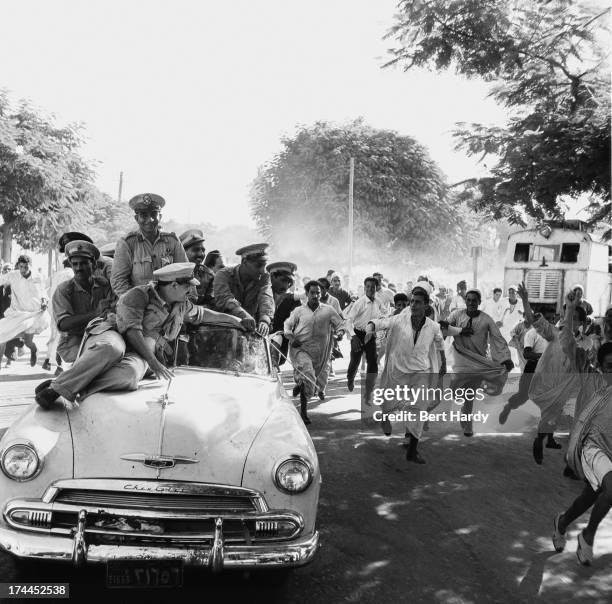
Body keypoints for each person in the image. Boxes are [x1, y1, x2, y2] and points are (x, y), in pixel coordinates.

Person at [35, 263, 239, 409]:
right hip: (114, 334)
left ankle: (71, 385)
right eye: (188, 286)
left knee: (129, 376)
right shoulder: (137, 295)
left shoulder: (181, 304)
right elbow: (132, 331)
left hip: (141, 353)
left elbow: (204, 314)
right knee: (112, 349)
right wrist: (154, 362)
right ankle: (55, 390)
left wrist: (236, 321)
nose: (193, 291)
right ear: (174, 285)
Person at [365, 285, 446, 463]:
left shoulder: (433, 326)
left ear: (426, 305)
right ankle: (385, 416)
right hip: (398, 371)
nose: (414, 305)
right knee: (389, 402)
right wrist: (371, 327)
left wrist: (444, 363)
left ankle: (412, 449)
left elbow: (440, 344)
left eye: (418, 302)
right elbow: (383, 322)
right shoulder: (400, 319)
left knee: (419, 408)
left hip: (420, 373)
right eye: (412, 302)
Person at [515, 284, 590, 464]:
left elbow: (577, 354)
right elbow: (533, 320)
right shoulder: (554, 333)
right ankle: (540, 440)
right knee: (550, 419)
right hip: (549, 386)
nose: (569, 320)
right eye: (567, 317)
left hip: (571, 388)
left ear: (581, 323)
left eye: (574, 319)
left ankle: (573, 461)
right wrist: (525, 300)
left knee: (572, 423)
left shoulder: (585, 343)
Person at [553, 344, 612, 565]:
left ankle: (562, 522)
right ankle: (588, 536)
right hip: (592, 446)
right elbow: (567, 343)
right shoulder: (592, 381)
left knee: (592, 496)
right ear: (599, 366)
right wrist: (570, 308)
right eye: (609, 367)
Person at [443, 288, 513, 436]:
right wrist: (460, 330)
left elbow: (497, 338)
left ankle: (468, 425)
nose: (471, 303)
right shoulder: (457, 315)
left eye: (474, 300)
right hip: (460, 360)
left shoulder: (486, 319)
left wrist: (505, 358)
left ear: (479, 302)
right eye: (468, 300)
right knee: (456, 392)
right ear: (465, 301)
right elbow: (444, 328)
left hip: (478, 362)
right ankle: (464, 411)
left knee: (470, 394)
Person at [284, 280, 344, 424]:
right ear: (306, 294)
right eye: (312, 293)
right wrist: (291, 337)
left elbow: (340, 324)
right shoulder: (299, 311)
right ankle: (303, 412)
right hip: (301, 349)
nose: (316, 295)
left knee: (313, 380)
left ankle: (300, 385)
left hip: (320, 352)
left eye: (318, 292)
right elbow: (287, 325)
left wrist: (340, 333)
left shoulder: (328, 310)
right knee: (308, 377)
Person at [52, 241, 116, 364]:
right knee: (96, 358)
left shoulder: (104, 285)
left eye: (84, 263)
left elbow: (113, 310)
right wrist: (95, 314)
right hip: (74, 342)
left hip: (102, 336)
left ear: (93, 264)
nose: (78, 268)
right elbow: (64, 324)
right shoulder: (64, 289)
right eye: (75, 264)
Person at [111, 193, 187, 296]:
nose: (150, 219)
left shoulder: (173, 242)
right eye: (144, 215)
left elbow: (185, 274)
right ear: (136, 218)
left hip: (170, 304)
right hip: (140, 306)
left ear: (159, 217)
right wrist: (136, 303)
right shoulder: (127, 244)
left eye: (153, 214)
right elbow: (119, 281)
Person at [213, 243, 275, 336]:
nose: (262, 270)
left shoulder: (264, 276)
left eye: (264, 266)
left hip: (248, 332)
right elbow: (225, 299)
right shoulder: (223, 275)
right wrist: (244, 315)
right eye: (258, 265)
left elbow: (266, 297)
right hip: (222, 330)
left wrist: (265, 320)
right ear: (245, 262)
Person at [0, 255, 50, 368]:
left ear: (30, 266)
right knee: (2, 333)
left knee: (28, 342)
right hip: (17, 314)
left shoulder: (38, 277)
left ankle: (34, 350)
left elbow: (43, 293)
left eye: (26, 267)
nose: (23, 270)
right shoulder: (13, 275)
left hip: (33, 314)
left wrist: (44, 302)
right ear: (18, 266)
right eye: (21, 267)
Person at [498, 315, 547, 424]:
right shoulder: (531, 332)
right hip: (531, 364)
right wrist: (541, 356)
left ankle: (546, 423)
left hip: (547, 368)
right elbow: (527, 353)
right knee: (523, 395)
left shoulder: (554, 333)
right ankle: (509, 407)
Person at [345, 276, 387, 400]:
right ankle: (350, 378)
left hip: (370, 335)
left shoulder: (378, 301)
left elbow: (385, 313)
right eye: (368, 287)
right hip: (358, 334)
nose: (370, 289)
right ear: (364, 288)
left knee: (373, 362)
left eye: (372, 287)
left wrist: (383, 322)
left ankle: (369, 391)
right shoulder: (360, 303)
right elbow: (348, 321)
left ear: (376, 288)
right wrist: (353, 337)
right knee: (355, 362)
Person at [268, 261, 301, 368]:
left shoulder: (293, 300)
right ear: (272, 278)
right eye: (282, 280)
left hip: (281, 342)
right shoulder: (260, 294)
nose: (286, 285)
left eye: (289, 282)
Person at [179, 229, 214, 307]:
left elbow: (212, 303)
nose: (201, 254)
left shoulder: (209, 275)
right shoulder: (171, 273)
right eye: (196, 250)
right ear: (183, 252)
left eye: (203, 250)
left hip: (201, 317)